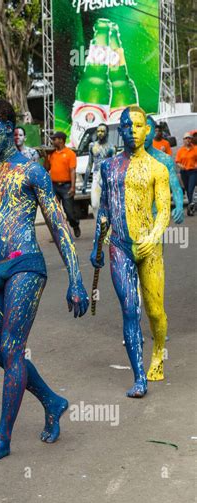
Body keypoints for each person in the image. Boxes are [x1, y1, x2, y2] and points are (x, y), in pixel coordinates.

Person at [0, 98, 89, 461]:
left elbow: (59, 226)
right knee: (1, 354)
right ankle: (52, 400)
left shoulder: (31, 171)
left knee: (11, 349)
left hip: (26, 266)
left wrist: (76, 278)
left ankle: (2, 438)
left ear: (12, 131)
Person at [91, 106, 170, 398]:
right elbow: (105, 209)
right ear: (120, 130)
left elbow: (164, 210)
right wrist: (98, 243)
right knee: (130, 310)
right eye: (127, 126)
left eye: (138, 126)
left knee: (155, 312)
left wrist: (153, 235)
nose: (133, 131)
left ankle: (159, 350)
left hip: (148, 247)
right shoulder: (108, 167)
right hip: (119, 245)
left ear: (146, 130)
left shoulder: (157, 168)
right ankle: (139, 376)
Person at [146, 116, 184, 224]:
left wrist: (179, 206)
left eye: (148, 129)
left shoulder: (165, 159)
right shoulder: (126, 160)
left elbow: (175, 187)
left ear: (153, 132)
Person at [42, 131, 81, 238]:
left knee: (69, 212)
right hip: (54, 186)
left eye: (54, 139)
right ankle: (58, 234)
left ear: (61, 140)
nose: (53, 141)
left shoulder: (70, 154)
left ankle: (75, 225)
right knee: (55, 211)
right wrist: (46, 157)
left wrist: (73, 187)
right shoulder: (52, 153)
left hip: (66, 186)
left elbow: (72, 171)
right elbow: (46, 168)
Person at [81, 123, 115, 214]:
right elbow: (89, 164)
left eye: (102, 131)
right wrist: (84, 184)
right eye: (98, 131)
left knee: (108, 204)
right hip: (96, 176)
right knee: (95, 204)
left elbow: (114, 166)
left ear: (107, 133)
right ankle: (98, 225)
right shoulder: (92, 146)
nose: (100, 133)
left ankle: (108, 226)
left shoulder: (111, 147)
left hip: (107, 176)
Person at [175, 132, 197, 216]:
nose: (188, 140)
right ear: (183, 140)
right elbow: (177, 161)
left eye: (189, 138)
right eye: (186, 138)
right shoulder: (180, 151)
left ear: (191, 140)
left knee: (191, 189)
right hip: (184, 172)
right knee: (187, 189)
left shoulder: (195, 149)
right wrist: (180, 166)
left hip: (193, 172)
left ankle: (190, 206)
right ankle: (192, 205)